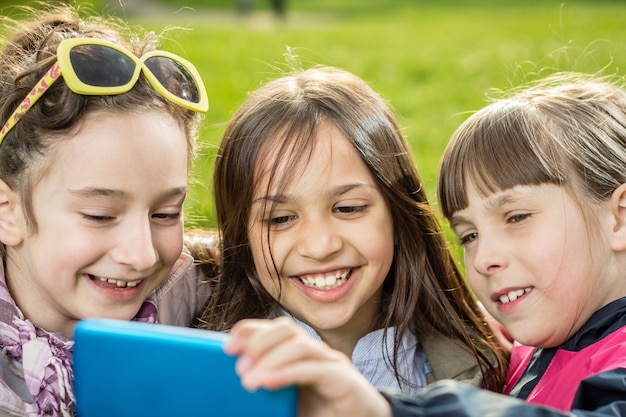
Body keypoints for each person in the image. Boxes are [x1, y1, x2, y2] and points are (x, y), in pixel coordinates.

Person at [224, 71, 626, 417]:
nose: (484, 259)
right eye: (468, 235)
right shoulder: (517, 351)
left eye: (516, 218)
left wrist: (388, 409)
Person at [196, 65, 509, 394]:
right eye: (280, 219)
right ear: (242, 238)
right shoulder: (199, 369)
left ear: (399, 214)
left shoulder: (483, 369)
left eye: (348, 208)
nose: (320, 246)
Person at [0, 4, 213, 416]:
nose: (143, 255)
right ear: (8, 211)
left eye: (166, 213)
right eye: (100, 215)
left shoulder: (205, 297)